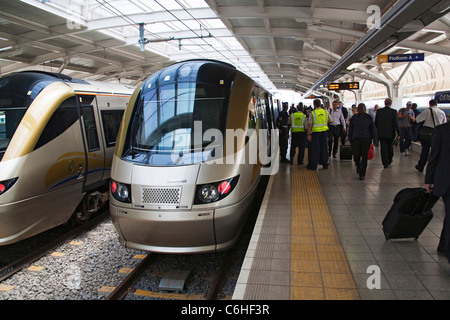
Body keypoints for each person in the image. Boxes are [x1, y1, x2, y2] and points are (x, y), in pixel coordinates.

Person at [424, 121, 450, 263]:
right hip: (446, 181)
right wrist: (428, 180)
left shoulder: (441, 130)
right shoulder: (441, 131)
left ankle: (443, 244)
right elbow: (433, 157)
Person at [414, 99, 447, 173]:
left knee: (425, 150)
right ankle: (435, 168)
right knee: (436, 151)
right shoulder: (442, 112)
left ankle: (421, 166)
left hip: (427, 134)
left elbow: (418, 120)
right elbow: (444, 124)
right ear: (437, 104)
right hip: (438, 134)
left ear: (429, 104)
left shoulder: (427, 111)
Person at [348, 103, 378, 180]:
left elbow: (373, 129)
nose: (361, 110)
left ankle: (362, 174)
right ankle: (358, 165)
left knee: (364, 156)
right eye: (359, 108)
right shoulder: (354, 118)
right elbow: (350, 129)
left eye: (362, 108)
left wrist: (375, 140)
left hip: (366, 139)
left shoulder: (369, 118)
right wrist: (349, 138)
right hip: (356, 139)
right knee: (356, 156)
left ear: (365, 109)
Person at [306, 99, 332, 170]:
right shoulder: (326, 112)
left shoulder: (313, 113)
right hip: (324, 133)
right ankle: (325, 164)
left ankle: (314, 165)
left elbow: (309, 125)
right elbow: (331, 121)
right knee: (324, 148)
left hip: (316, 133)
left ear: (314, 105)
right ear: (320, 104)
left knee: (315, 149)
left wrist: (308, 134)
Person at [375, 98, 399, 169]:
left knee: (383, 148)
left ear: (384, 103)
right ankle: (389, 159)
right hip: (390, 132)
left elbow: (376, 122)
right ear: (390, 104)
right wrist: (399, 131)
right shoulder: (394, 112)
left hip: (381, 132)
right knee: (390, 147)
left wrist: (376, 132)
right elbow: (396, 122)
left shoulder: (379, 111)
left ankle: (385, 163)